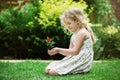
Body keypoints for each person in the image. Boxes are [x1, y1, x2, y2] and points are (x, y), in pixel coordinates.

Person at [45, 7, 96, 76]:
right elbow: (69, 53)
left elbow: (75, 52)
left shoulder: (82, 33)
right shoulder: (74, 35)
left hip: (82, 61)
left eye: (69, 23)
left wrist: (59, 50)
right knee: (48, 70)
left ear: (77, 21)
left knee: (52, 72)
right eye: (66, 24)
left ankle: (81, 69)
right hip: (75, 58)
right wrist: (55, 51)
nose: (68, 26)